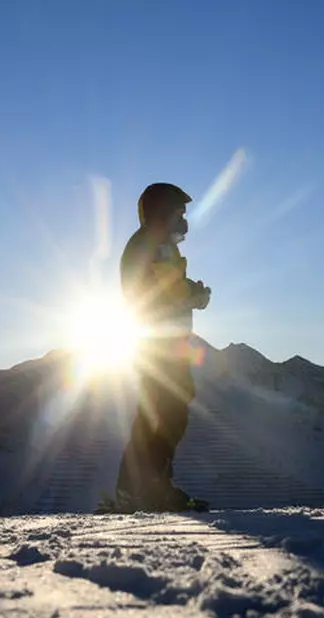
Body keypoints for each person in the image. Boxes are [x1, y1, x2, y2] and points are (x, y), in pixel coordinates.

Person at [100, 182, 212, 513]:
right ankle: (149, 489)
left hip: (150, 338)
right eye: (179, 212)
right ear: (163, 212)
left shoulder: (149, 244)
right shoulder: (156, 244)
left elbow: (164, 283)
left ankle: (138, 488)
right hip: (161, 341)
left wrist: (188, 288)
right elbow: (169, 291)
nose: (184, 221)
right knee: (170, 411)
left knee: (156, 414)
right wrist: (197, 296)